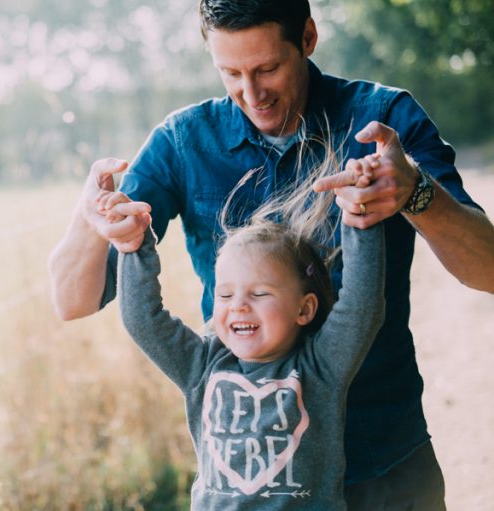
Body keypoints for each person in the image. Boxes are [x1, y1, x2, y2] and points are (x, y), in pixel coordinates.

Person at [48, 0, 494, 508]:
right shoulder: (182, 142)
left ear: (307, 37)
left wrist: (416, 191)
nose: (251, 94)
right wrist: (92, 215)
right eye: (230, 72)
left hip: (387, 467)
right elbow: (71, 301)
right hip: (257, 493)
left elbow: (489, 270)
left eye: (268, 68)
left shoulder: (384, 119)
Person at [110, 150, 384, 509]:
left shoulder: (322, 368)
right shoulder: (202, 366)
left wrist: (361, 220)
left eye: (258, 293)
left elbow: (362, 306)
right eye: (224, 294)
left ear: (304, 308)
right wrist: (134, 249)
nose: (238, 305)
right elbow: (143, 320)